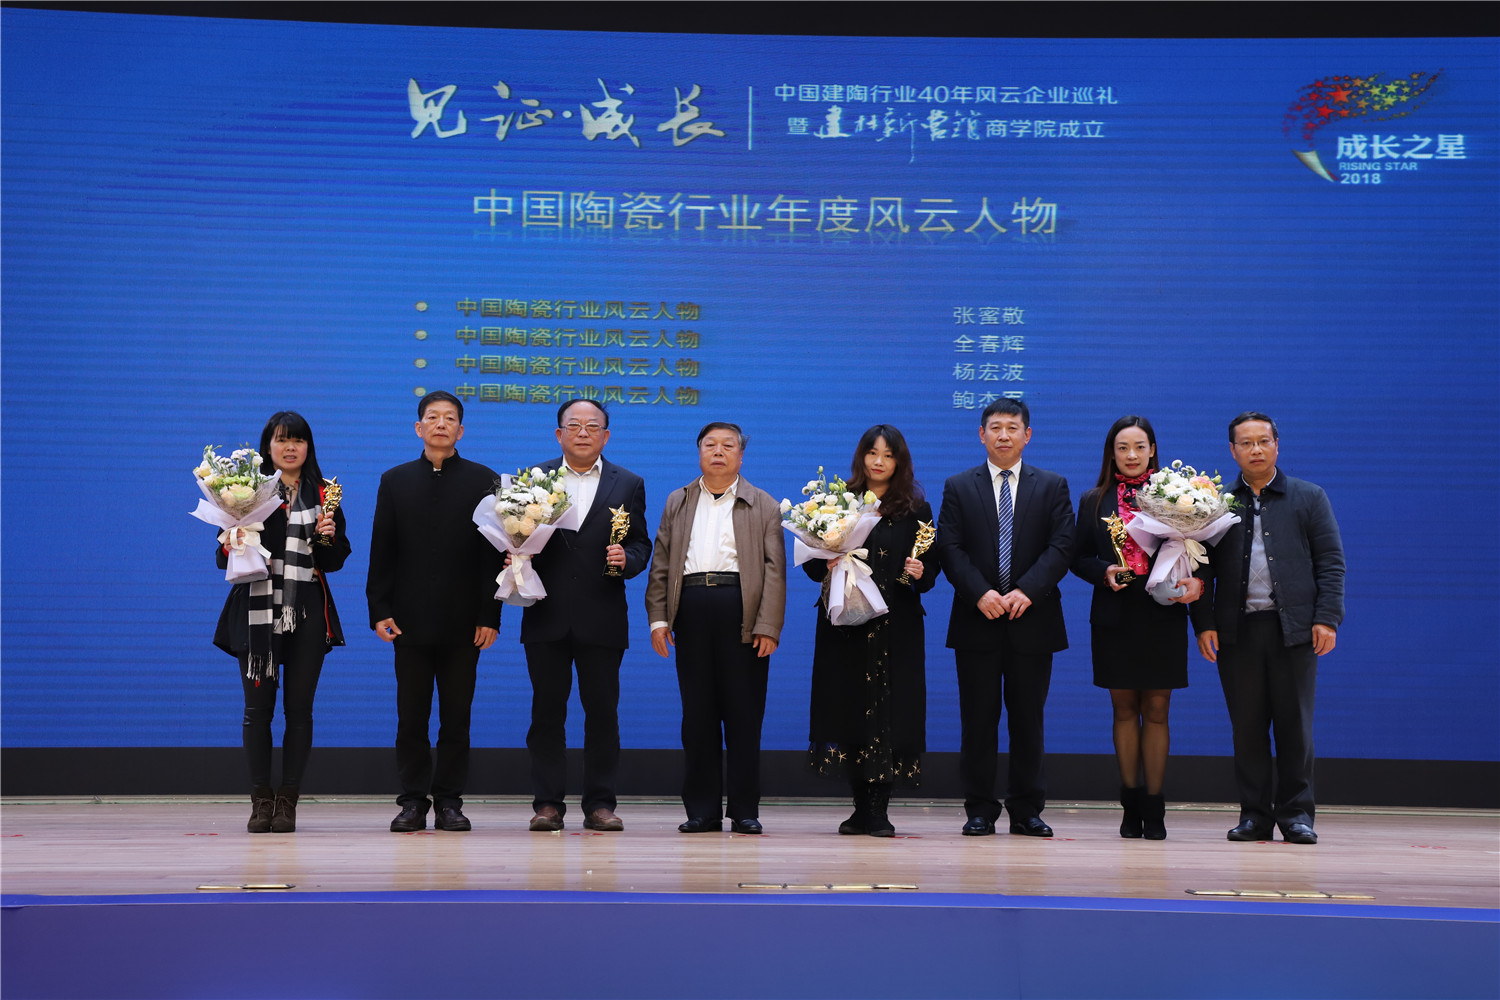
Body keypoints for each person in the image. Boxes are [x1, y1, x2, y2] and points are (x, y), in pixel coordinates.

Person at [1192, 412, 1344, 845]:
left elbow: (1331, 562)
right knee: (1248, 727)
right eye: (1246, 443)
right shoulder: (1215, 502)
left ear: (1277, 444)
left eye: (1263, 441)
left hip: (1293, 629)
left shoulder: (1308, 497)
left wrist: (1327, 617)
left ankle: (1296, 815)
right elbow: (1199, 568)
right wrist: (1203, 623)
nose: (1255, 450)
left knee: (1295, 727)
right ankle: (1254, 816)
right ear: (1232, 450)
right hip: (1237, 631)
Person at [937, 398, 1074, 838]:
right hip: (977, 620)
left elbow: (1062, 546)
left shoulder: (1051, 485)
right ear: (981, 435)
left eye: (1012, 427)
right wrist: (981, 593)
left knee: (1028, 721)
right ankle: (979, 808)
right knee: (978, 721)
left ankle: (1026, 809)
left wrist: (1026, 591)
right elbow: (949, 548)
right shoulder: (959, 486)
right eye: (995, 427)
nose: (1003, 435)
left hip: (1032, 621)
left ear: (1027, 435)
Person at [367, 390, 502, 833]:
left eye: (449, 418)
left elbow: (493, 555)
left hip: (465, 623)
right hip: (408, 621)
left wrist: (490, 615)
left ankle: (449, 802)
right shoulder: (395, 480)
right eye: (432, 417)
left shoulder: (484, 480)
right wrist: (379, 608)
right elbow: (382, 550)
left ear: (461, 430)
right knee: (411, 718)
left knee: (456, 718)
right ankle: (412, 802)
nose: (441, 424)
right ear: (418, 428)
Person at [645, 422, 786, 834]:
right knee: (697, 716)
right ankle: (702, 810)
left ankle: (744, 810)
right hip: (690, 607)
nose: (719, 451)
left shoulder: (763, 504)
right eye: (710, 445)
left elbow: (775, 571)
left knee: (744, 715)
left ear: (741, 454)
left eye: (728, 445)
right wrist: (658, 619)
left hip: (741, 610)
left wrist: (768, 625)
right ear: (699, 452)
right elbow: (661, 562)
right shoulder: (678, 500)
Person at [519, 398, 651, 833]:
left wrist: (628, 560)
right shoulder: (534, 480)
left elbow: (640, 544)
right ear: (558, 434)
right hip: (546, 613)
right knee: (545, 715)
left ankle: (600, 804)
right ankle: (547, 805)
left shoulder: (628, 483)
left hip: (602, 615)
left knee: (603, 715)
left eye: (592, 426)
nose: (582, 432)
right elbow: (515, 534)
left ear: (606, 436)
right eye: (573, 425)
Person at [214, 411, 348, 834]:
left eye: (298, 440)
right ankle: (261, 800)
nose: (290, 447)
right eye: (281, 439)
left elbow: (334, 560)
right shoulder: (247, 491)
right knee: (257, 711)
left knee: (299, 711)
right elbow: (221, 557)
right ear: (267, 446)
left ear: (309, 447)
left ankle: (288, 800)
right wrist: (232, 540)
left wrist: (327, 535)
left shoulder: (326, 493)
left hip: (305, 608)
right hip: (256, 606)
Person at [1070, 416, 1202, 840]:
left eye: (1139, 447)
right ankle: (1130, 805)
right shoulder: (1094, 499)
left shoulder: (1177, 495)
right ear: (1112, 453)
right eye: (1123, 447)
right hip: (1116, 612)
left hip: (1162, 611)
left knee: (1158, 710)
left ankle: (1156, 809)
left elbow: (1199, 552)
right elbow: (1077, 557)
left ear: (1152, 450)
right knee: (1124, 710)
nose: (1131, 455)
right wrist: (1103, 571)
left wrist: (1195, 581)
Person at [804, 425, 939, 837]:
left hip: (897, 626)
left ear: (900, 462)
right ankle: (859, 807)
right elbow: (812, 566)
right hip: (846, 625)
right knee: (848, 708)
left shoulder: (915, 508)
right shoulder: (838, 502)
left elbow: (931, 570)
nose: (879, 461)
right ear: (861, 457)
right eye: (872, 452)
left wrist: (919, 571)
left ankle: (879, 809)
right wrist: (825, 559)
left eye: (888, 455)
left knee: (891, 713)